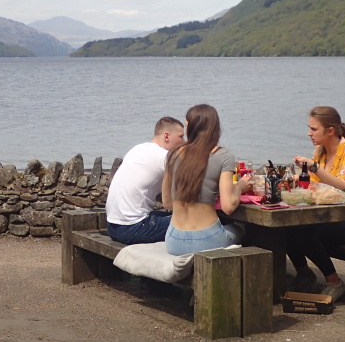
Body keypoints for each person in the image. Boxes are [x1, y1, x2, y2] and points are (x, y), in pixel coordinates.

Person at [288, 106, 345, 302]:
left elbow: (343, 187)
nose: (309, 133)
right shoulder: (320, 151)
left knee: (305, 232)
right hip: (328, 214)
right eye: (309, 128)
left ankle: (334, 282)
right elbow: (317, 186)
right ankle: (304, 274)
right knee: (287, 227)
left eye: (314, 129)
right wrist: (297, 180)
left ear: (330, 131)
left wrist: (314, 167)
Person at [161, 104, 251, 256]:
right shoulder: (223, 155)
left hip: (173, 240)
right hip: (207, 240)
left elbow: (167, 202)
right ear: (215, 128)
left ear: (191, 127)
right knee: (241, 229)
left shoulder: (173, 154)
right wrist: (240, 187)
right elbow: (228, 206)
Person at [105, 116, 186, 244]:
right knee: (196, 222)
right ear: (166, 136)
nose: (184, 142)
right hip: (134, 228)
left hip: (113, 226)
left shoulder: (138, 149)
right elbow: (173, 197)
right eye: (181, 137)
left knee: (180, 218)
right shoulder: (163, 157)